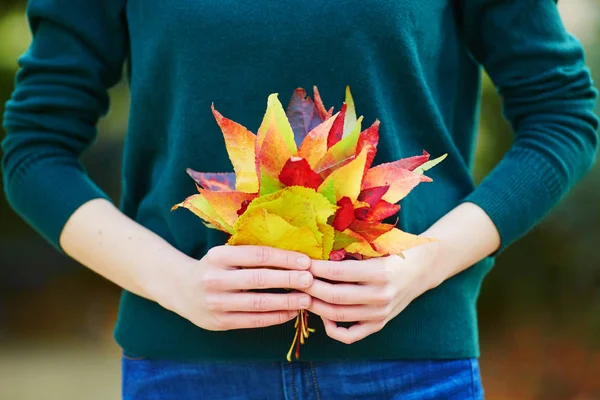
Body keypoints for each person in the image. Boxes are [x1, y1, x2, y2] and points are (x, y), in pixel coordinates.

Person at [2, 1, 598, 399]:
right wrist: (175, 281)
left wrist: (425, 263)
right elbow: (34, 150)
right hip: (186, 372)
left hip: (411, 368)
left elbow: (561, 114)